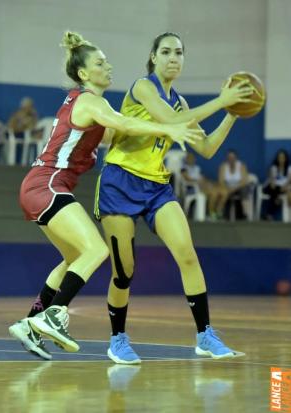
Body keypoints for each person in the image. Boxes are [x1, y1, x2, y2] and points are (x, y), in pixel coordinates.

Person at [8, 30, 202, 360]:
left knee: (73, 259)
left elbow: (121, 132)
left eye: (107, 60)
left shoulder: (92, 106)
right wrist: (168, 126)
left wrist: (161, 123)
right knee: (96, 249)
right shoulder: (91, 101)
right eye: (101, 62)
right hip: (48, 184)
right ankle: (54, 315)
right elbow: (123, 123)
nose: (108, 66)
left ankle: (30, 322)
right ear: (84, 73)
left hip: (39, 186)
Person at [94, 32, 253, 364]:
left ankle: (205, 335)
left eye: (179, 52)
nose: (173, 57)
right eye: (165, 51)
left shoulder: (180, 102)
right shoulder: (143, 87)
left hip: (155, 186)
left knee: (188, 254)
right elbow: (169, 121)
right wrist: (221, 100)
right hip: (119, 182)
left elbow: (206, 148)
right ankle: (117, 339)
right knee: (124, 271)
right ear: (153, 57)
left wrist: (232, 113)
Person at [218, 150, 250, 220]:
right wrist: (228, 188)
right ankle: (220, 213)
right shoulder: (223, 167)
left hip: (239, 187)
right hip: (227, 188)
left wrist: (234, 188)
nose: (231, 159)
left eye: (233, 157)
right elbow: (221, 181)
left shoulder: (241, 166)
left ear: (236, 158)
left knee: (244, 190)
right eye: (229, 158)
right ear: (227, 158)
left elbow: (245, 181)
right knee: (222, 191)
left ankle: (245, 213)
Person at [262, 149, 291, 220]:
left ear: (286, 159)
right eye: (280, 158)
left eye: (283, 158)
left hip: (283, 188)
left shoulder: (289, 168)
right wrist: (275, 185)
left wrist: (284, 187)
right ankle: (276, 202)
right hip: (270, 187)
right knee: (274, 190)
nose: (281, 159)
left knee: (275, 193)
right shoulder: (274, 167)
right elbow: (272, 181)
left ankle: (268, 214)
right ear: (277, 158)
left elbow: (289, 181)